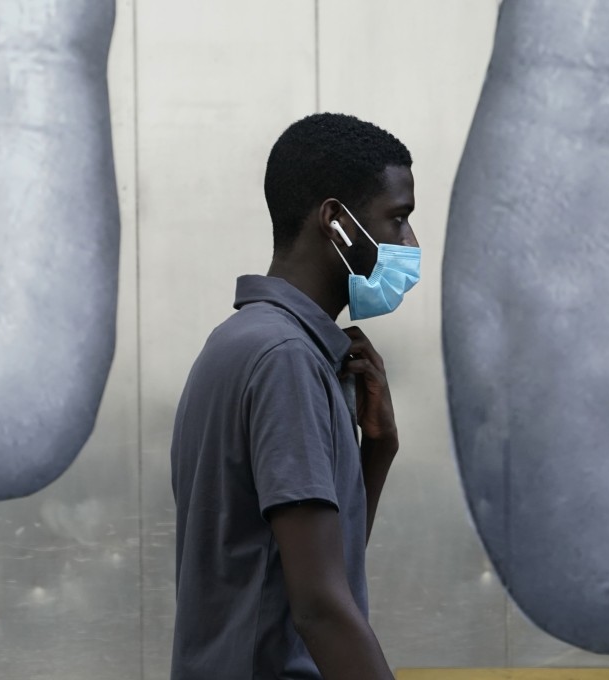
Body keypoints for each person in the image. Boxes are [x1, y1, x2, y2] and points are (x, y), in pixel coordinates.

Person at [170, 112, 420, 679]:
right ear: (337, 222)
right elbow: (320, 608)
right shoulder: (286, 360)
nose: (410, 243)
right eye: (398, 219)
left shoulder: (242, 343)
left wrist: (375, 453)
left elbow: (311, 568)